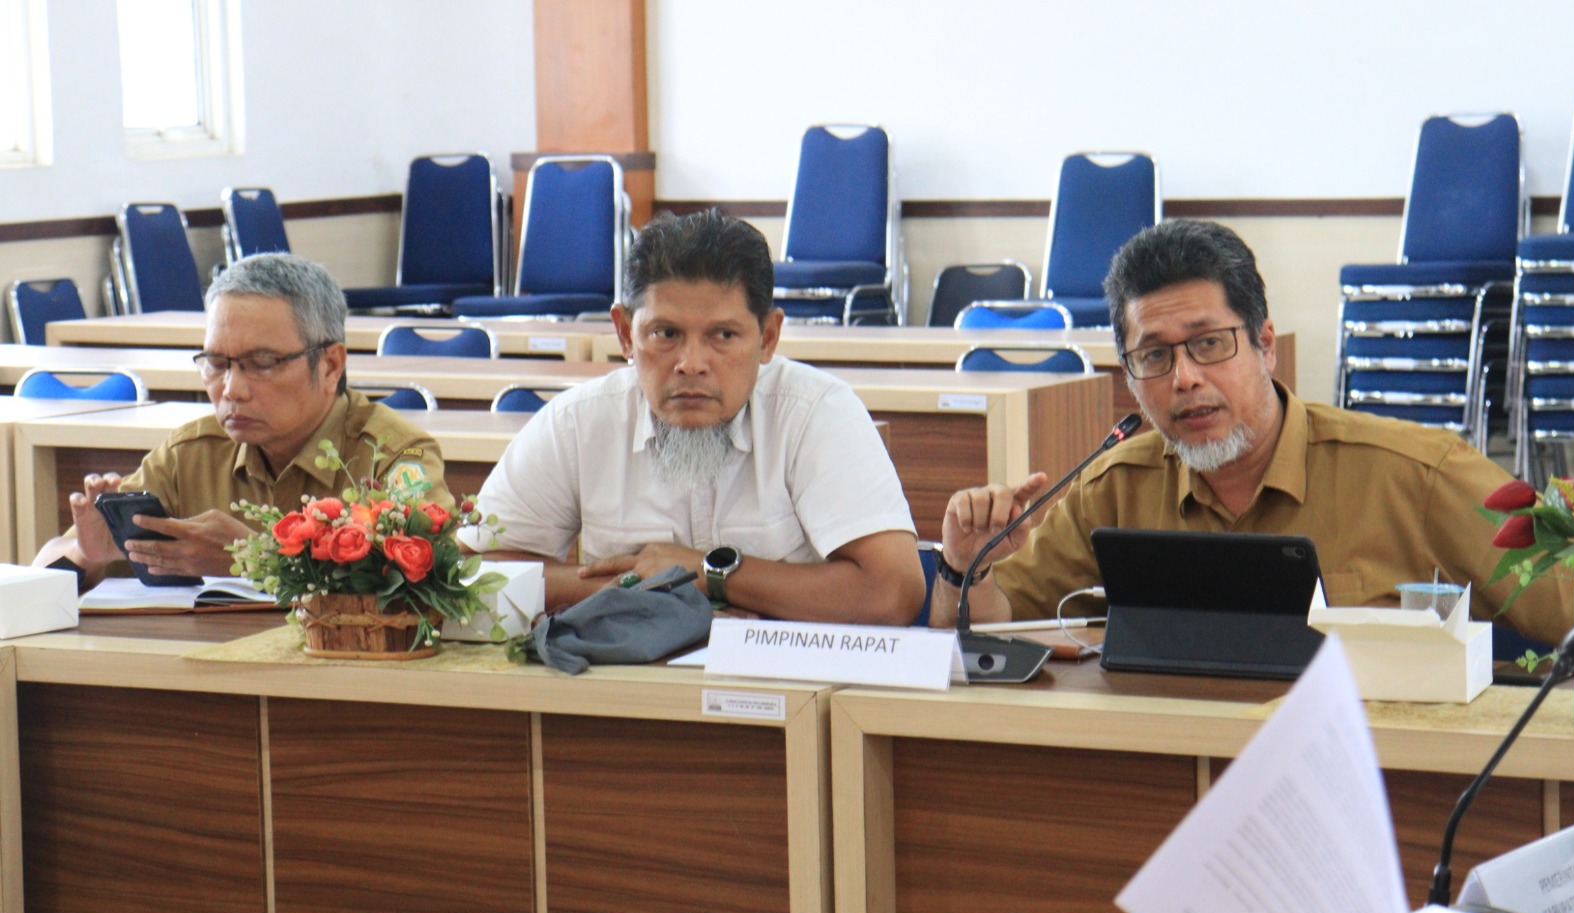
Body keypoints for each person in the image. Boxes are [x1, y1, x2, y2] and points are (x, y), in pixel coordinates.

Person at [930, 219, 1572, 645]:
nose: (1184, 378)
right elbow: (985, 633)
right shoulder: (1114, 489)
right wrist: (965, 568)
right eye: (1154, 356)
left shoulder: (1416, 474)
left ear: (1266, 345)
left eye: (1209, 344)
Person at [463, 208, 923, 624]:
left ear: (768, 337)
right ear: (624, 334)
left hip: (787, 681)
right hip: (630, 680)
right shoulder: (578, 423)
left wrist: (709, 574)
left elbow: (893, 592)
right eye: (666, 334)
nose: (691, 363)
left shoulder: (816, 414)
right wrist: (633, 589)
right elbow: (467, 571)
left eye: (724, 335)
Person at [33, 253, 453, 589]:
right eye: (217, 363)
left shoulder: (393, 456)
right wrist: (89, 556)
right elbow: (44, 567)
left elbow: (432, 582)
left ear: (330, 366)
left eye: (263, 363)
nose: (232, 389)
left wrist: (258, 559)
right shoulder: (189, 455)